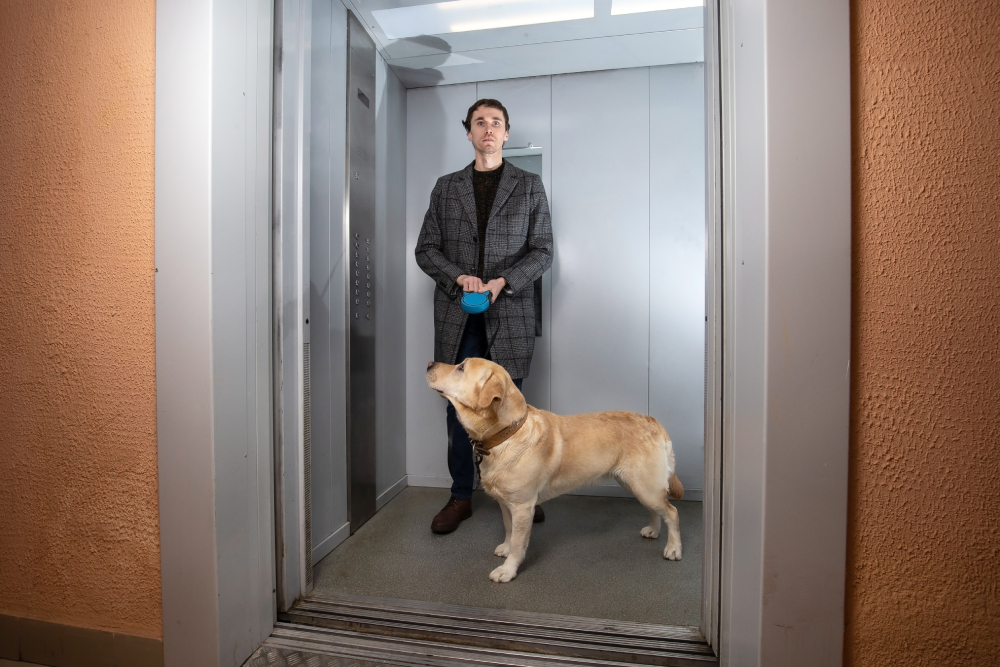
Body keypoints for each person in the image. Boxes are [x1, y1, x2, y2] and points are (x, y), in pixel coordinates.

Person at [415, 99, 553, 533]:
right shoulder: (446, 186)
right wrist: (458, 276)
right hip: (458, 317)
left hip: (508, 312)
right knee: (459, 411)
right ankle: (461, 496)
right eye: (480, 122)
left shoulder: (529, 185)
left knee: (511, 409)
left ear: (507, 133)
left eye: (496, 123)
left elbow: (543, 250)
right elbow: (426, 249)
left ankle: (521, 491)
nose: (488, 129)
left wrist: (501, 281)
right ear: (469, 133)